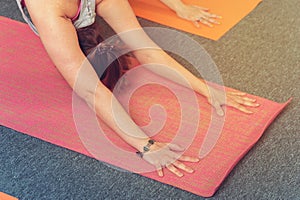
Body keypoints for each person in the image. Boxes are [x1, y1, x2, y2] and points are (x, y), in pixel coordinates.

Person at [16, 0, 259, 177]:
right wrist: (145, 145)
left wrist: (205, 89)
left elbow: (145, 50)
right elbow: (90, 90)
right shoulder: (48, 11)